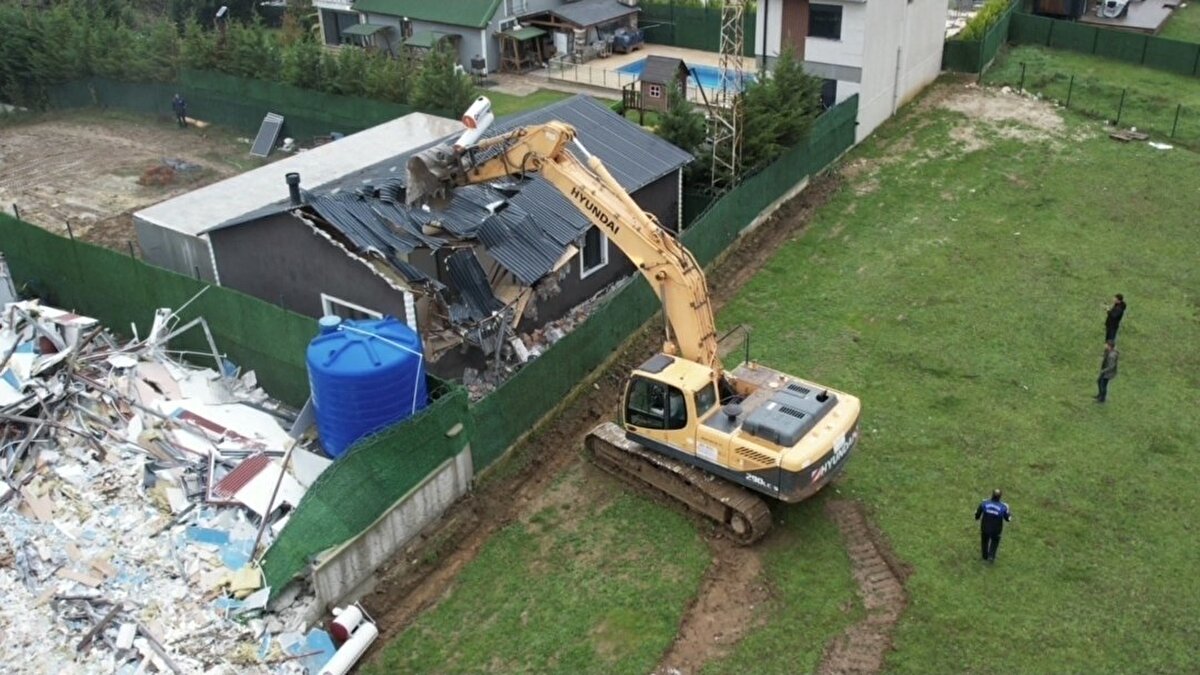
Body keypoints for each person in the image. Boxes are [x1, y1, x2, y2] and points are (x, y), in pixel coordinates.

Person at [975, 489, 1012, 563]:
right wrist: (1009, 513)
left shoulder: (985, 503)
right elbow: (1008, 518)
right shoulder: (1003, 507)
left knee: (984, 540)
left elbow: (977, 513)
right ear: (1000, 496)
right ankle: (991, 556)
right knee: (995, 541)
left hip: (985, 527)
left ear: (992, 495)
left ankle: (985, 556)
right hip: (996, 529)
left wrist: (977, 517)